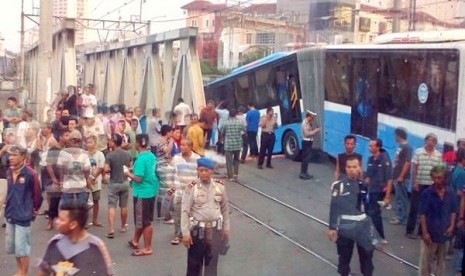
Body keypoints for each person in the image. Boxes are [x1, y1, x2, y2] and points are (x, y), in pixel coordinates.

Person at [181, 157, 230, 276]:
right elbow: (185, 211)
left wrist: (226, 228)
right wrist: (186, 233)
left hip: (215, 231)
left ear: (212, 171)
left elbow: (225, 209)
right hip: (198, 232)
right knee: (194, 266)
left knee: (212, 265)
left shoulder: (220, 187)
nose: (203, 173)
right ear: (197, 170)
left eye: (206, 170)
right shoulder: (191, 188)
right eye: (201, 170)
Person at [327, 155, 373, 276]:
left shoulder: (364, 186)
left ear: (359, 168)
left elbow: (368, 208)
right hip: (346, 227)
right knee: (344, 257)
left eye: (354, 166)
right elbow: (334, 207)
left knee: (367, 257)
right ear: (345, 168)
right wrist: (332, 227)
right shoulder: (339, 186)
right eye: (349, 167)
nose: (352, 169)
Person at [37, 202, 113, 276]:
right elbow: (43, 270)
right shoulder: (55, 242)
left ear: (73, 224)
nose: (57, 222)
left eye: (61, 220)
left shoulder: (95, 246)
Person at [4, 145, 42, 276]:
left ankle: (23, 273)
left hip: (23, 215)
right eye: (10, 155)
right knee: (14, 247)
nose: (11, 158)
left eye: (14, 155)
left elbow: (38, 196)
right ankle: (19, 270)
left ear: (23, 157)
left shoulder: (31, 174)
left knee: (23, 249)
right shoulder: (9, 171)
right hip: (10, 214)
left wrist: (34, 210)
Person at [418, 165, 456, 276]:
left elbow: (453, 211)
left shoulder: (450, 193)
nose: (437, 181)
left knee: (441, 263)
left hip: (444, 234)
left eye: (439, 178)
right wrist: (425, 232)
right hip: (430, 234)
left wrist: (452, 226)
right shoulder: (427, 193)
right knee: (425, 264)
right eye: (434, 178)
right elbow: (422, 214)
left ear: (444, 178)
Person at [126, 134, 159, 256]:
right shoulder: (151, 156)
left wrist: (128, 174)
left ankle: (147, 247)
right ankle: (135, 240)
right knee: (142, 219)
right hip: (151, 191)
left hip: (142, 193)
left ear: (138, 144)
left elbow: (138, 178)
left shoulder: (140, 159)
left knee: (145, 221)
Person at [406, 133, 443, 239]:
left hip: (431, 185)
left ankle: (421, 231)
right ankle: (409, 230)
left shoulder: (438, 155)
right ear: (425, 141)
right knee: (414, 207)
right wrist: (415, 182)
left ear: (435, 143)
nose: (430, 142)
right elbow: (414, 168)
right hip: (420, 183)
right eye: (429, 140)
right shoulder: (418, 152)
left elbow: (438, 171)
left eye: (433, 141)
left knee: (427, 209)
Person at [171, 138, 200, 245]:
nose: (181, 147)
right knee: (178, 213)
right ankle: (178, 235)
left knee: (193, 213)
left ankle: (192, 233)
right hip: (179, 191)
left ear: (190, 147)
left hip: (192, 191)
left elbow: (200, 175)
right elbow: (172, 172)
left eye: (184, 145)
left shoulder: (197, 159)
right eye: (181, 145)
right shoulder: (176, 158)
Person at [104, 134, 132, 238]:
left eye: (110, 141)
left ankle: (111, 229)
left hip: (114, 183)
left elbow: (106, 169)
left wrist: (110, 169)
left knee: (112, 206)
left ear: (114, 142)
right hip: (124, 182)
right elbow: (130, 167)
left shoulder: (110, 155)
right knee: (124, 206)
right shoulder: (127, 154)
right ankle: (123, 226)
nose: (109, 143)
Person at [365, 138, 392, 244]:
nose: (369, 147)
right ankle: (375, 234)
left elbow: (389, 179)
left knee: (374, 213)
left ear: (378, 147)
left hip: (379, 191)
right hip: (371, 190)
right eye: (369, 145)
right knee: (370, 213)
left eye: (372, 146)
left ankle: (380, 236)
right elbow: (368, 176)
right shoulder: (370, 159)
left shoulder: (385, 159)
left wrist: (387, 196)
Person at [57, 130, 91, 206]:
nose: (75, 142)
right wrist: (87, 179)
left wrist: (61, 182)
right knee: (76, 210)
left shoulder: (63, 153)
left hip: (72, 185)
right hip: (76, 185)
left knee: (70, 209)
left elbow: (61, 169)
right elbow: (86, 170)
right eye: (74, 140)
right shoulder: (83, 153)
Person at [153, 125, 176, 222]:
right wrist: (171, 141)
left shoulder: (164, 141)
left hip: (166, 165)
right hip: (162, 166)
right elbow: (166, 151)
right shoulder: (161, 141)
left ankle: (164, 213)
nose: (172, 134)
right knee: (164, 191)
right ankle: (163, 215)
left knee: (165, 190)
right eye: (171, 132)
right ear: (167, 132)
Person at [390, 127, 412, 226]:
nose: (394, 137)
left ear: (399, 135)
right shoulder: (400, 146)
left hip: (401, 177)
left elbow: (407, 163)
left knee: (401, 198)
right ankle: (399, 215)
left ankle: (401, 217)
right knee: (398, 197)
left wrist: (401, 176)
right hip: (396, 175)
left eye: (395, 135)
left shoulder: (407, 147)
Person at [221, 108, 246, 181]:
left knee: (229, 160)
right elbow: (244, 130)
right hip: (237, 143)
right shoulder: (240, 122)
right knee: (236, 159)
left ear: (229, 114)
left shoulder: (225, 123)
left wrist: (222, 139)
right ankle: (236, 174)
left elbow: (222, 132)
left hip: (228, 144)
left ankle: (230, 176)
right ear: (236, 114)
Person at [86, 135, 105, 227]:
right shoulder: (84, 154)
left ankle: (95, 220)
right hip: (86, 180)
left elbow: (101, 167)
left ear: (95, 143)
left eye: (91, 142)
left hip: (96, 180)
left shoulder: (100, 154)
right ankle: (84, 221)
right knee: (84, 200)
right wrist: (87, 179)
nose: (89, 144)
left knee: (96, 200)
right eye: (87, 142)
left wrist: (92, 178)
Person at [299, 110, 320, 180]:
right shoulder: (304, 123)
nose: (313, 119)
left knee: (307, 158)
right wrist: (315, 131)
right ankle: (302, 173)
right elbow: (307, 134)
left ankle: (305, 172)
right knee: (305, 158)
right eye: (312, 117)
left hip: (309, 141)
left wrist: (313, 129)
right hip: (306, 142)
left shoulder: (308, 123)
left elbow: (309, 131)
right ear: (309, 116)